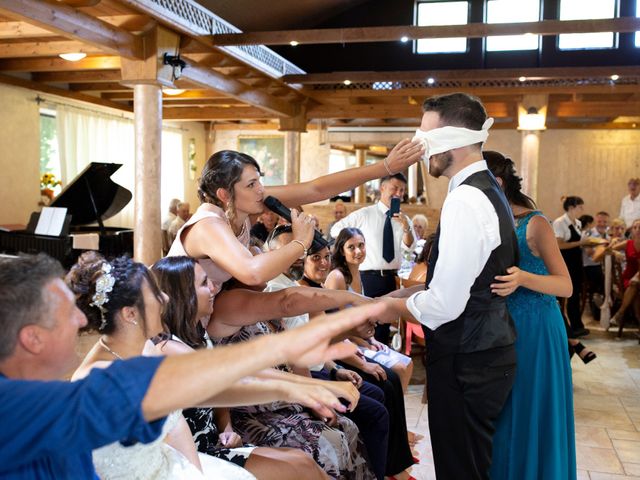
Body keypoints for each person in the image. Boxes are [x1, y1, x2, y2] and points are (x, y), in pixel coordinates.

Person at [0, 253, 388, 479]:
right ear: (31, 337)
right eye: (66, 314)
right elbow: (152, 388)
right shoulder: (26, 408)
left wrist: (291, 385)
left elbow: (193, 385)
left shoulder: (46, 395)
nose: (81, 322)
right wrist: (281, 352)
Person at [381, 92, 518, 479]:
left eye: (425, 137)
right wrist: (392, 297)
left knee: (461, 469)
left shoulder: (465, 200)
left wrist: (381, 308)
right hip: (483, 349)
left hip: (469, 356)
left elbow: (444, 304)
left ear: (452, 140)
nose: (419, 149)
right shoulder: (484, 188)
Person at [67, 253, 256, 480]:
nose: (166, 298)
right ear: (130, 314)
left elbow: (175, 423)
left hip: (171, 464)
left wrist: (196, 474)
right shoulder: (96, 381)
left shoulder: (147, 348)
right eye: (155, 293)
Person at [150, 256, 332, 480]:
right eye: (204, 283)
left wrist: (226, 429)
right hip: (192, 456)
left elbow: (219, 402)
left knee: (302, 461)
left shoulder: (198, 335)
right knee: (300, 470)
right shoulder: (168, 348)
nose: (215, 287)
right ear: (183, 295)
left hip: (213, 444)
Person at [484, 151, 577, 480]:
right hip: (500, 326)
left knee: (529, 406)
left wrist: (523, 278)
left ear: (496, 183)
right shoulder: (489, 219)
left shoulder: (535, 224)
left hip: (536, 327)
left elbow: (565, 285)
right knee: (504, 409)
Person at [300, 243, 417, 480]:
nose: (323, 263)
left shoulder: (333, 282)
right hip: (325, 361)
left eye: (325, 257)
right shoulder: (321, 286)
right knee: (383, 382)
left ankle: (394, 457)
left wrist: (366, 342)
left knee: (392, 377)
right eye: (316, 258)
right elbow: (322, 341)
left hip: (332, 358)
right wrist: (360, 361)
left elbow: (341, 329)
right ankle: (384, 467)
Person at [330, 173, 416, 344]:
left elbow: (409, 249)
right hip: (366, 277)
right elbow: (336, 230)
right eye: (395, 188)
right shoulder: (364, 214)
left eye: (402, 190)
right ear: (382, 188)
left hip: (391, 278)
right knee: (364, 324)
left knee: (383, 327)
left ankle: (382, 358)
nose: (398, 193)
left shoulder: (404, 219)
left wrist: (406, 229)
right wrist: (354, 245)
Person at [325, 227, 414, 393]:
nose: (358, 251)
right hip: (345, 344)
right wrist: (365, 343)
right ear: (342, 251)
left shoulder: (359, 274)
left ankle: (397, 414)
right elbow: (341, 324)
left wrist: (372, 341)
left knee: (408, 364)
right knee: (399, 369)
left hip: (361, 340)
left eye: (361, 245)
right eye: (351, 247)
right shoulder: (337, 277)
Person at [553, 196, 591, 337]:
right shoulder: (560, 222)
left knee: (575, 294)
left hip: (576, 260)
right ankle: (562, 327)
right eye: (580, 207)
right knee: (561, 295)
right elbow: (559, 245)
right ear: (571, 207)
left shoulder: (578, 223)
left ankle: (576, 325)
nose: (582, 210)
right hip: (565, 260)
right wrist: (580, 243)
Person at [609, 219, 640, 328]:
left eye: (639, 227)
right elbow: (607, 250)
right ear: (631, 230)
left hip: (637, 278)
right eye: (634, 227)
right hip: (628, 277)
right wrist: (615, 252)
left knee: (635, 286)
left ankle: (620, 313)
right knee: (635, 289)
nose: (637, 230)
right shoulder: (628, 243)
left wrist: (637, 277)